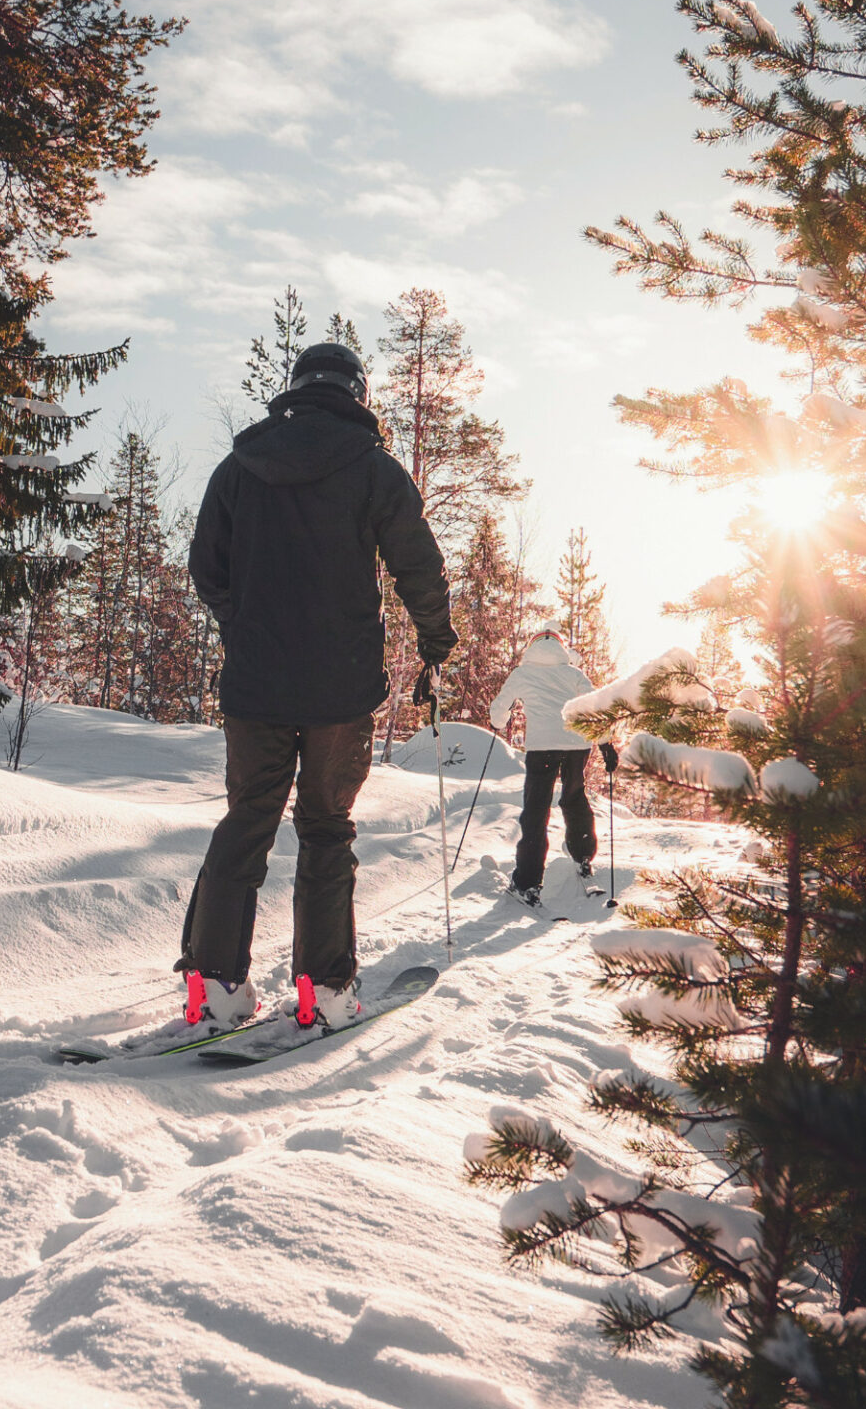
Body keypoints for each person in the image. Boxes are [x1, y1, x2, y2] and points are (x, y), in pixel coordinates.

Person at [181, 341, 457, 1032]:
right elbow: (417, 566)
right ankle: (325, 990)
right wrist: (435, 644)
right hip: (339, 690)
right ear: (357, 393)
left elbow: (205, 565)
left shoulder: (239, 467)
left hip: (255, 686)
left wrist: (241, 622)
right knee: (326, 830)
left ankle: (212, 986)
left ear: (296, 388)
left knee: (247, 821)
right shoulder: (373, 470)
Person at [488, 629, 599, 907]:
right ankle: (583, 857)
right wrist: (607, 744)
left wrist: (499, 721)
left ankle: (527, 882)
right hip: (577, 745)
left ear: (532, 647)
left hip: (542, 748)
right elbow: (596, 707)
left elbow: (498, 712)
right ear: (562, 648)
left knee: (537, 809)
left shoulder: (523, 673)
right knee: (574, 796)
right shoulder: (573, 674)